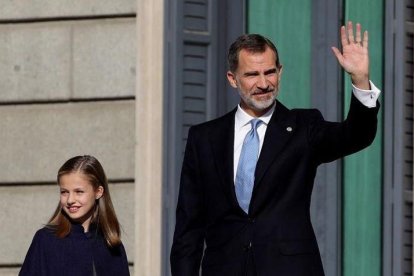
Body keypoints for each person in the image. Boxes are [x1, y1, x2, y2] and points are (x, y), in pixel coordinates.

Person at [170, 22, 380, 275]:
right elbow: (188, 227)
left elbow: (356, 136)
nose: (263, 83)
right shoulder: (204, 138)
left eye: (269, 72)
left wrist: (360, 79)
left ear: (280, 72)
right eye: (251, 75)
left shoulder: (304, 127)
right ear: (232, 79)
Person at [20, 155, 130, 276]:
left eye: (79, 192)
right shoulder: (46, 240)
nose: (70, 200)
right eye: (64, 192)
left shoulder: (112, 246)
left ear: (98, 192)